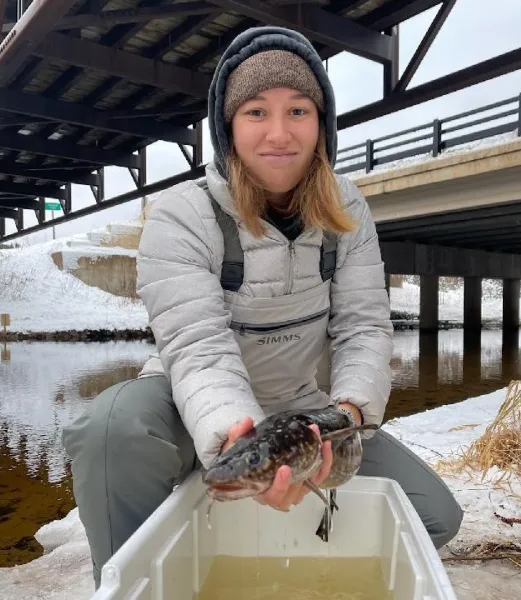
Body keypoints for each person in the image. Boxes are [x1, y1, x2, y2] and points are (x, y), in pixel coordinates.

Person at [62, 25, 463, 589]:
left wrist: (348, 414)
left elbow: (363, 328)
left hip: (307, 411)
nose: (279, 133)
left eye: (298, 110)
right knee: (111, 430)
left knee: (434, 515)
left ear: (322, 126)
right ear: (228, 127)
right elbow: (197, 346)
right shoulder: (182, 214)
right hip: (193, 404)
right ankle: (137, 584)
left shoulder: (347, 209)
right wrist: (237, 441)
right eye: (256, 112)